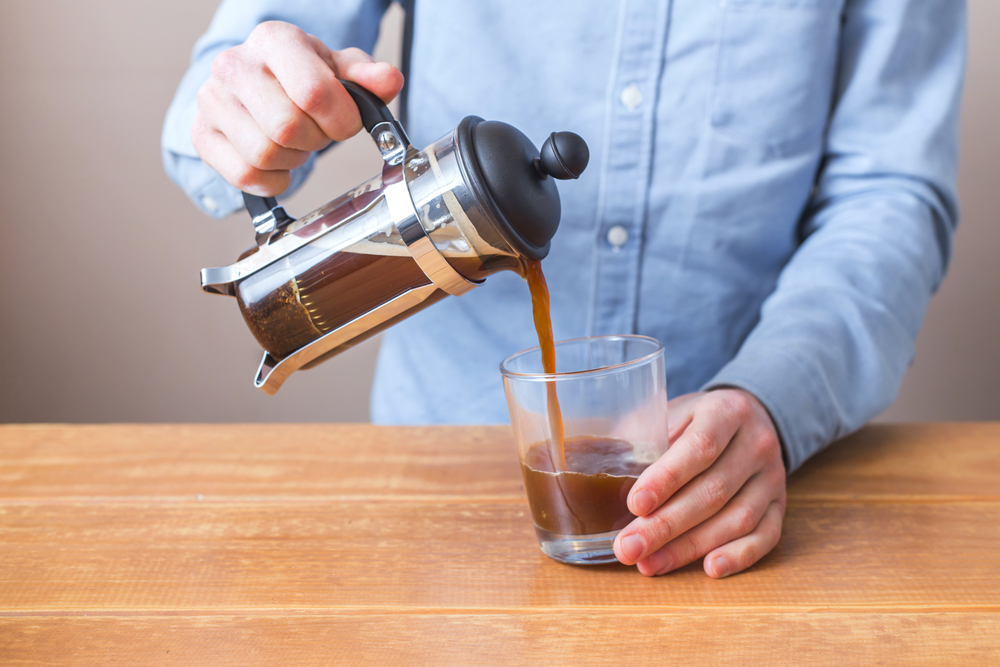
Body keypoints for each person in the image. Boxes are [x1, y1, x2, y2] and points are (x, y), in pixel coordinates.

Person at [162, 1, 966, 578]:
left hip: (724, 500)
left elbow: (889, 191)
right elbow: (234, 76)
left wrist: (771, 399)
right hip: (435, 512)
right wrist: (249, 97)